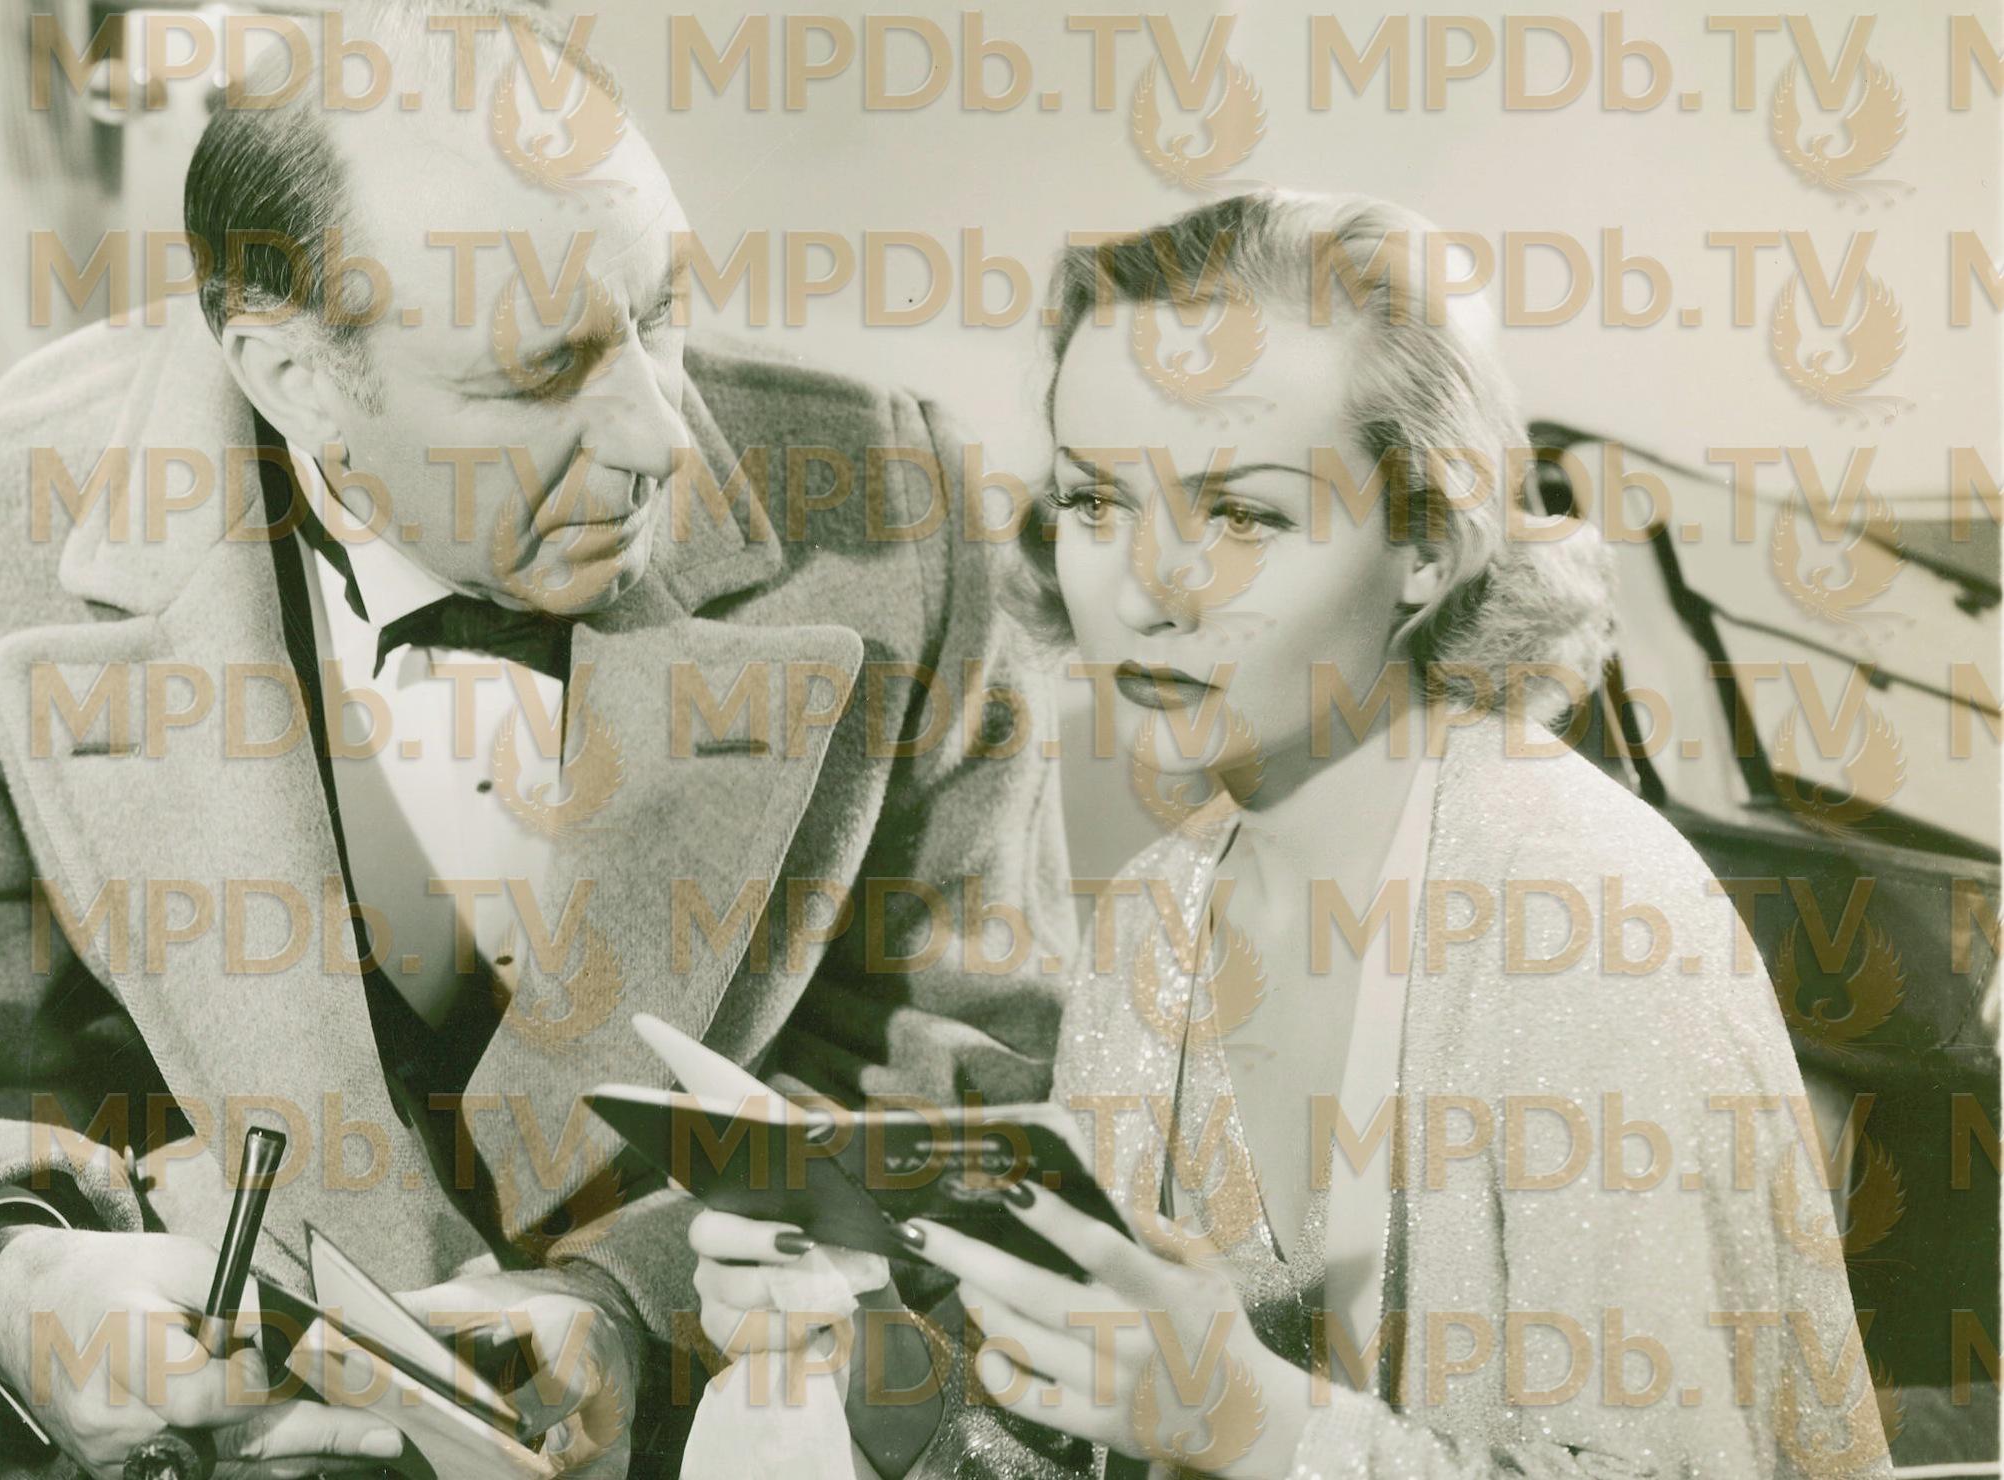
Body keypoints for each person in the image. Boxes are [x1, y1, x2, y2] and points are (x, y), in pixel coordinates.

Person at [0, 4, 1072, 1476]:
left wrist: (635, 1308)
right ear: (293, 378)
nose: (660, 435)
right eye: (539, 375)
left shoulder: (894, 507)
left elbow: (970, 1087)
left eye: (659, 311)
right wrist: (22, 1286)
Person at [689, 190, 1890, 1477]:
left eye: (1241, 515)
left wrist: (1246, 1419)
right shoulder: (1155, 916)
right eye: (1094, 501)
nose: (1143, 590)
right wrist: (866, 1342)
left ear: (1426, 541)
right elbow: (1067, 1454)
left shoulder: (1589, 915)